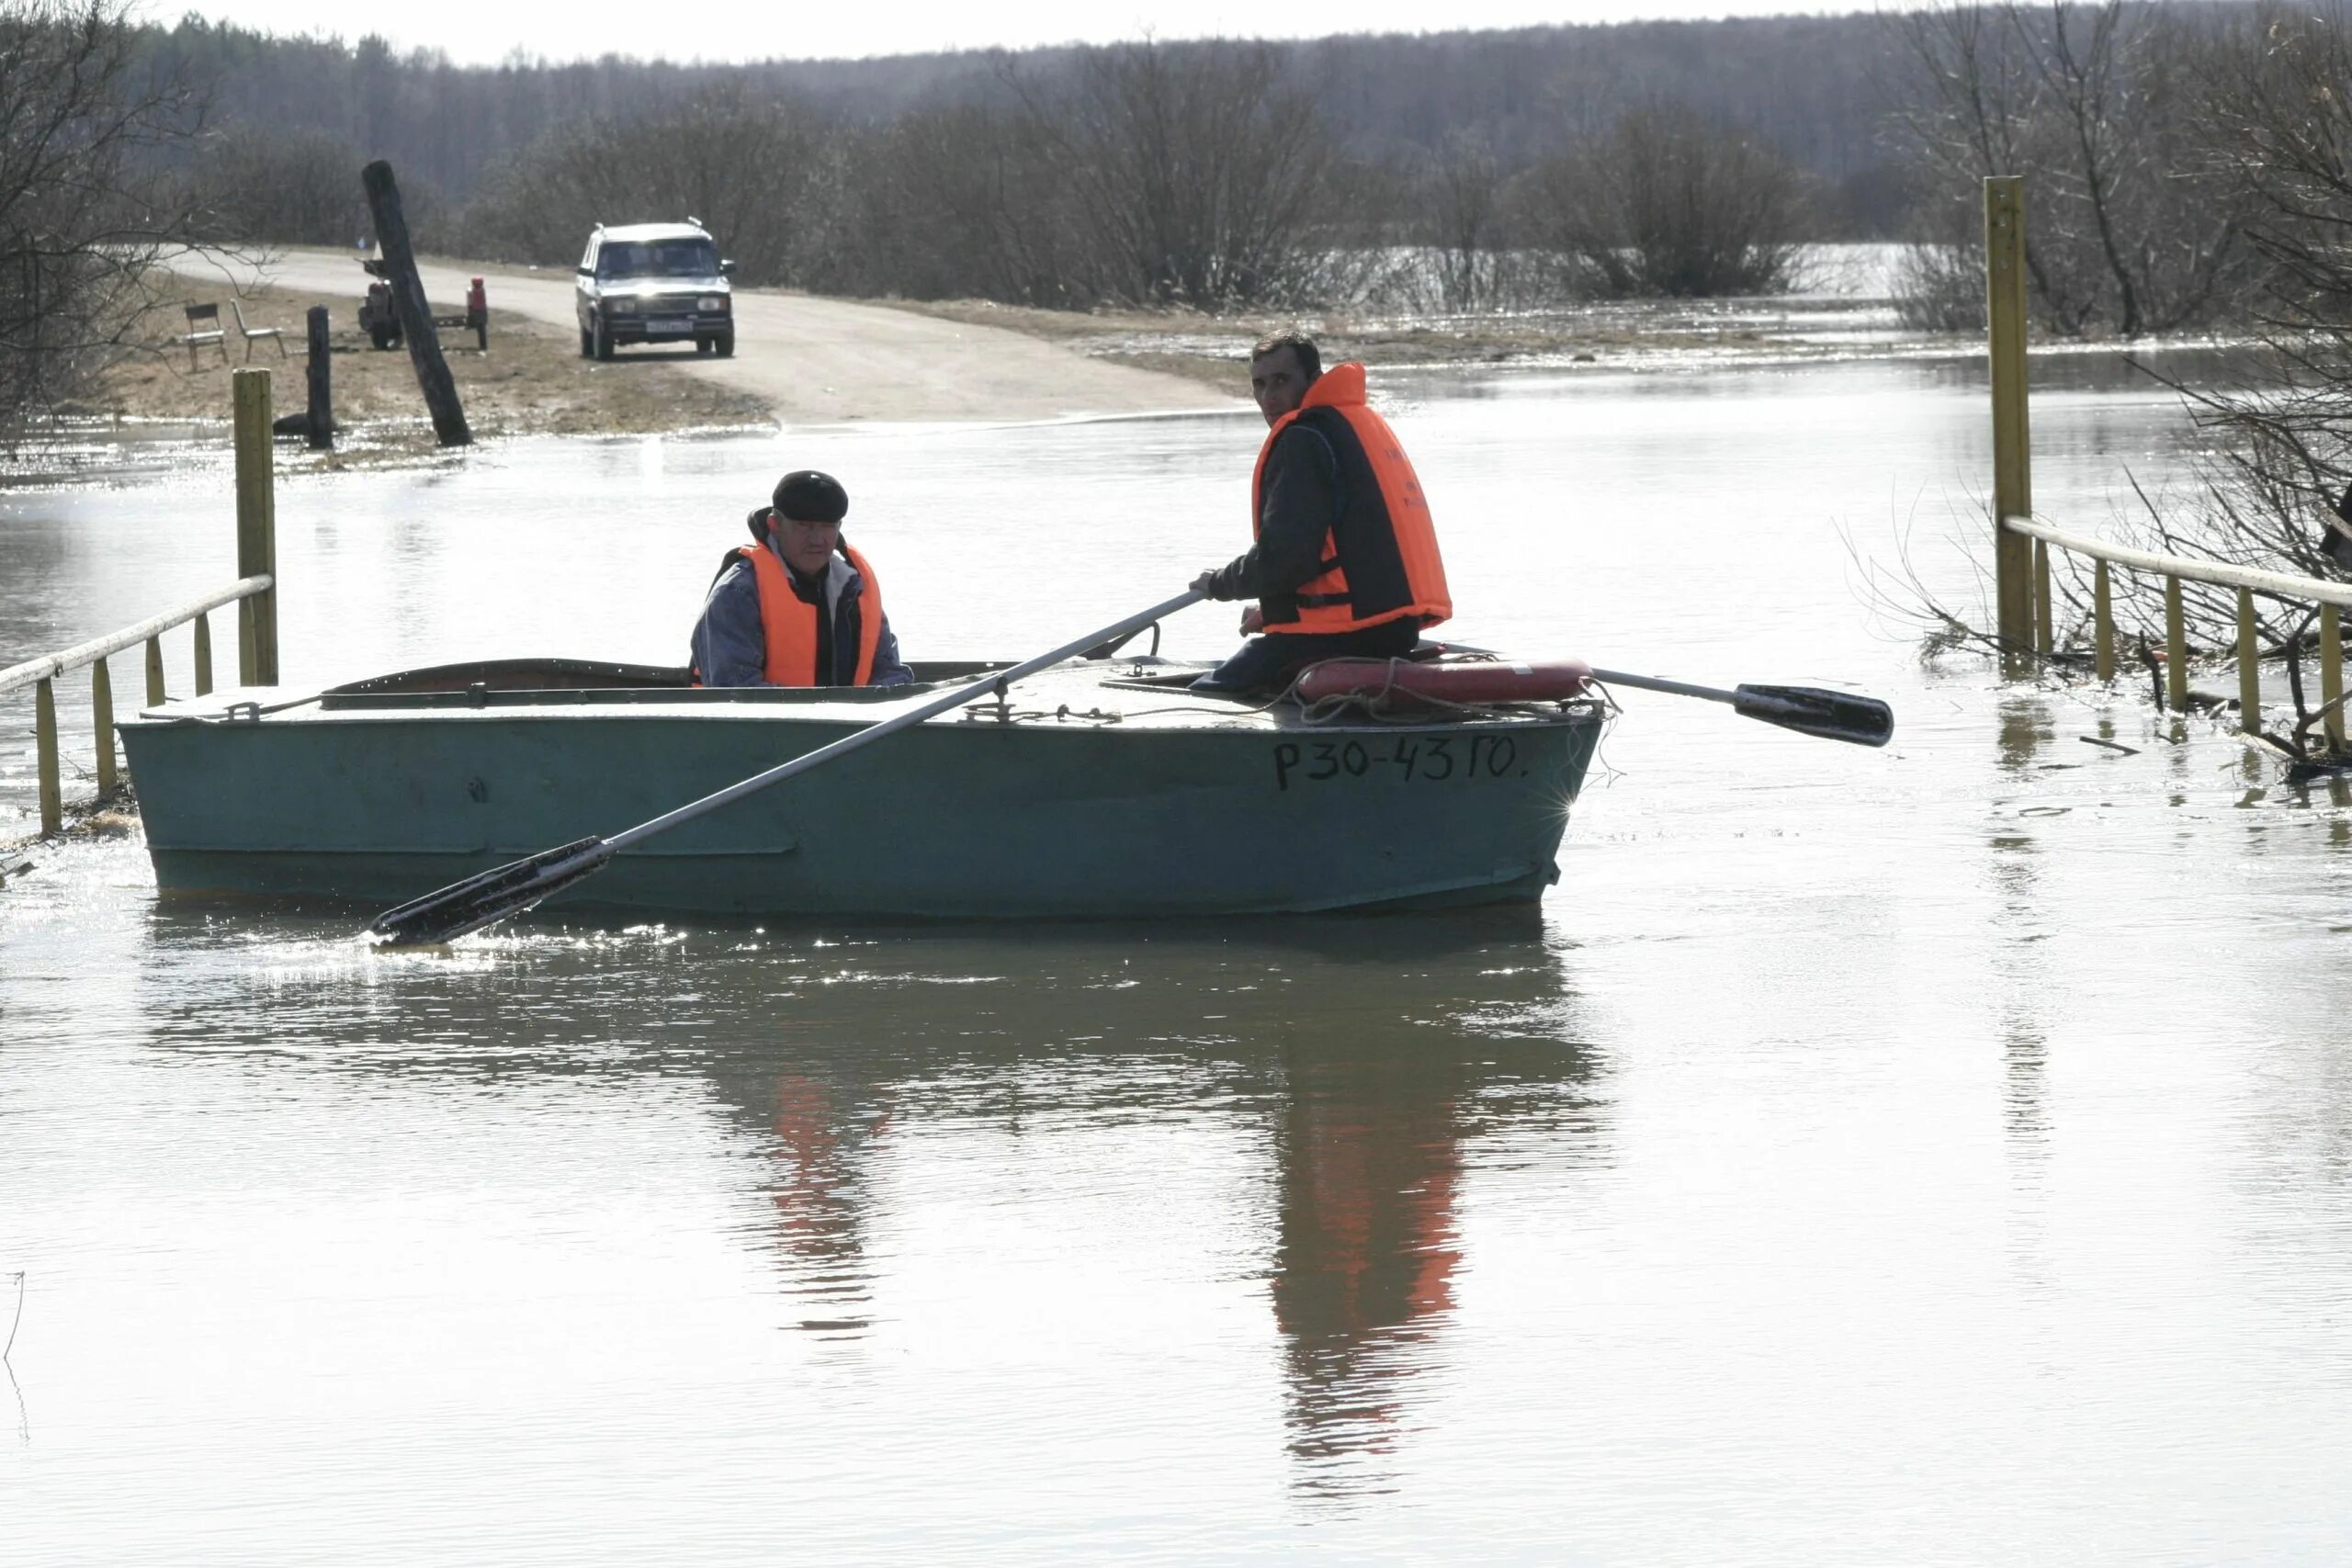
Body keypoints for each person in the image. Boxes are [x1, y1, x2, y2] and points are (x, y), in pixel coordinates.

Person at [1189, 332, 1452, 693]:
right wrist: (1276, 611)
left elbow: (1285, 559)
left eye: (1282, 380)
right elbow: (1351, 550)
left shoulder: (1303, 441)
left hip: (1347, 635)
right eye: (1260, 384)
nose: (1270, 396)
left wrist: (1219, 583)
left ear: (1314, 380)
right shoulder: (1351, 427)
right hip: (1391, 631)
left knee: (1209, 692)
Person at [690, 469, 912, 688]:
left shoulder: (855, 587)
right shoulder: (738, 591)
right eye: (803, 526)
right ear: (774, 525)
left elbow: (889, 671)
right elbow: (732, 687)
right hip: (765, 723)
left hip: (845, 720)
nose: (816, 539)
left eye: (827, 527)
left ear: (839, 528)